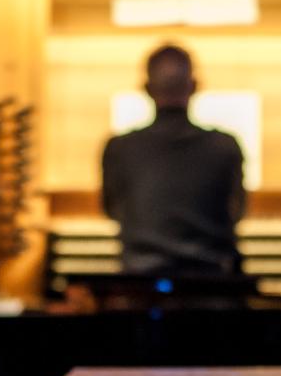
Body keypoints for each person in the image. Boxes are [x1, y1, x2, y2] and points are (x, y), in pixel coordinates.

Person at [101, 44, 245, 276]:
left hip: (138, 289)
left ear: (146, 89)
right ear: (194, 86)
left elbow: (112, 211)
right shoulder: (225, 146)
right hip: (211, 288)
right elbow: (237, 213)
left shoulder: (119, 148)